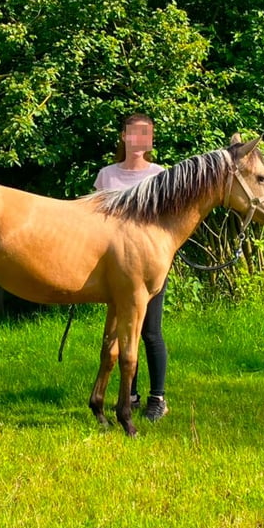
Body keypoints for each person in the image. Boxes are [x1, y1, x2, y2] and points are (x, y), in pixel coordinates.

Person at [93, 113, 169, 422]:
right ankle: (131, 395)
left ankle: (158, 398)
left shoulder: (160, 174)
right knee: (122, 332)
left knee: (149, 331)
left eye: (146, 134)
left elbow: (166, 224)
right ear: (123, 137)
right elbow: (95, 219)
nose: (139, 139)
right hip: (114, 265)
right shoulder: (107, 175)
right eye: (134, 133)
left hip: (149, 266)